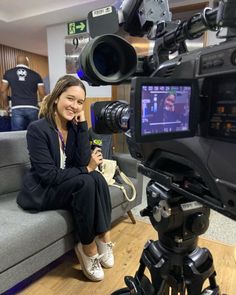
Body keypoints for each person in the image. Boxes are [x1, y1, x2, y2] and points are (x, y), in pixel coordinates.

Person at [17, 75, 114, 282]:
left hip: (65, 183)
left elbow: (80, 163)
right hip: (43, 190)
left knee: (95, 178)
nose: (75, 106)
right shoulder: (38, 129)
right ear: (56, 98)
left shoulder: (74, 127)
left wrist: (82, 125)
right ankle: (87, 248)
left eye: (80, 102)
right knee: (87, 178)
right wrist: (87, 168)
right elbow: (49, 176)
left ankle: (105, 238)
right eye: (70, 99)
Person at [0, 54, 46, 131]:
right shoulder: (36, 75)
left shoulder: (8, 73)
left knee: (17, 135)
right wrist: (43, 107)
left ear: (17, 62)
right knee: (35, 133)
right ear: (27, 62)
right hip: (33, 108)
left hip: (16, 108)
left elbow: (3, 90)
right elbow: (42, 93)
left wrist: (6, 105)